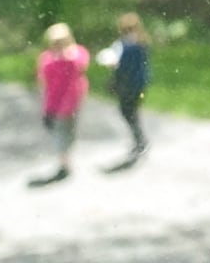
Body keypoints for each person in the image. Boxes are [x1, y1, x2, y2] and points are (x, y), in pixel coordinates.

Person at [31, 23, 89, 186]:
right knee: (62, 131)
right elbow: (44, 81)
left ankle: (66, 158)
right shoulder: (48, 59)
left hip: (73, 100)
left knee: (69, 130)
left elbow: (82, 64)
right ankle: (65, 161)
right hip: (58, 102)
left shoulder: (75, 55)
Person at [99, 12, 151, 168]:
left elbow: (121, 65)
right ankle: (139, 140)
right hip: (140, 84)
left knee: (127, 111)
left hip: (127, 84)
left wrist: (113, 70)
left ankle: (140, 140)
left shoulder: (125, 45)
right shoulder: (142, 42)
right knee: (133, 111)